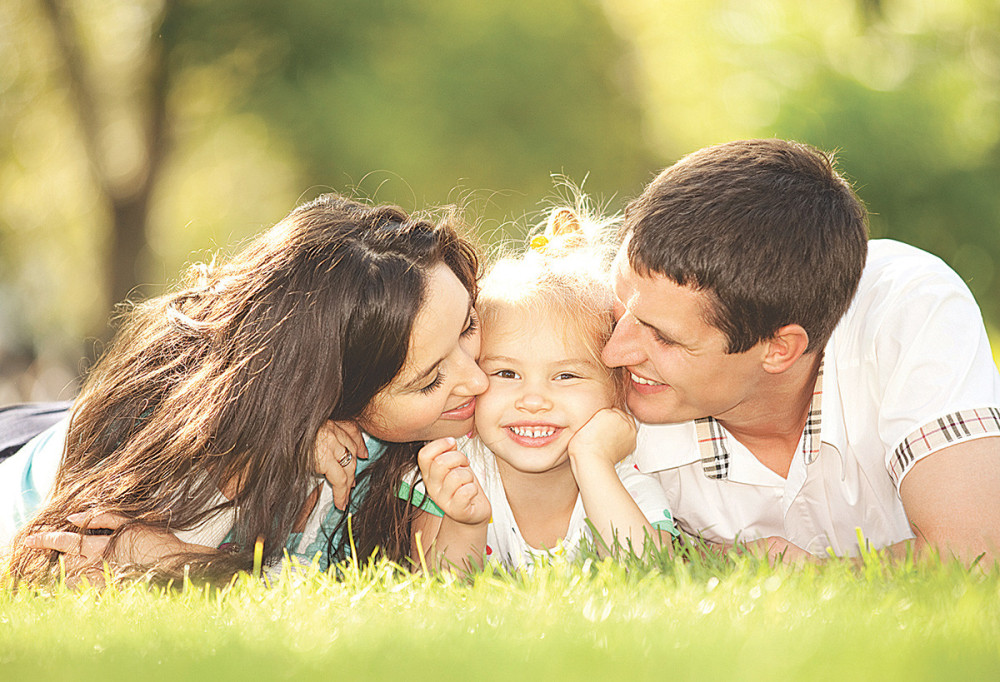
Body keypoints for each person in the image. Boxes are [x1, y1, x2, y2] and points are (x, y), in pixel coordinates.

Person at [1, 193, 488, 583]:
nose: (478, 378)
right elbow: (45, 561)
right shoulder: (172, 437)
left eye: (467, 326)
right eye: (431, 381)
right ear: (334, 392)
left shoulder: (385, 438)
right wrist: (169, 561)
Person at [601, 138, 1000, 565]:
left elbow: (976, 550)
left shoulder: (908, 309)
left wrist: (810, 575)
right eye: (619, 310)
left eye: (664, 337)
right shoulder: (581, 343)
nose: (611, 352)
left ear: (779, 348)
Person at [402, 205, 678, 571]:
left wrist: (593, 460)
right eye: (506, 374)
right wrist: (464, 522)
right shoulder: (456, 471)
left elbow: (653, 577)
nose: (532, 401)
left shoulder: (624, 484)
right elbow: (437, 592)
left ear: (617, 392)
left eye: (565, 376)